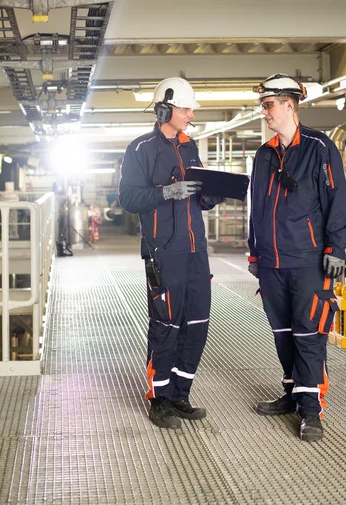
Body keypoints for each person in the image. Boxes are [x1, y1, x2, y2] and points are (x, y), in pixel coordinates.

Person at [246, 73, 346, 442]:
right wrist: (254, 251)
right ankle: (292, 395)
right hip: (272, 263)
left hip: (309, 261)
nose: (265, 111)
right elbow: (255, 206)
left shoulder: (320, 147)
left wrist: (335, 249)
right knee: (283, 334)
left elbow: (338, 201)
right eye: (264, 105)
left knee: (310, 335)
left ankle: (311, 412)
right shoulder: (263, 154)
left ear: (289, 104)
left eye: (269, 104)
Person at [118, 77, 224, 429]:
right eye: (186, 108)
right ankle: (159, 398)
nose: (191, 115)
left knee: (196, 323)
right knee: (166, 324)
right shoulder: (140, 149)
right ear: (165, 109)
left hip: (197, 252)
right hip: (163, 252)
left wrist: (210, 195)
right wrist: (167, 192)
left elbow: (197, 196)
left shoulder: (190, 147)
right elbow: (128, 199)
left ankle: (180, 393)